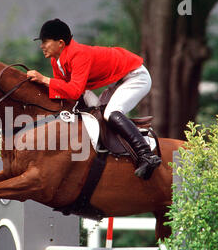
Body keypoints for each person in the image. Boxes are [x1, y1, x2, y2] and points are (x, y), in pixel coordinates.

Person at [27, 18, 161, 180]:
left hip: (136, 76)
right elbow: (65, 91)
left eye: (45, 42)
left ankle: (146, 154)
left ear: (60, 43)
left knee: (110, 113)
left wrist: (44, 79)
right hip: (119, 80)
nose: (42, 46)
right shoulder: (57, 61)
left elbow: (75, 90)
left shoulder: (79, 54)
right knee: (97, 111)